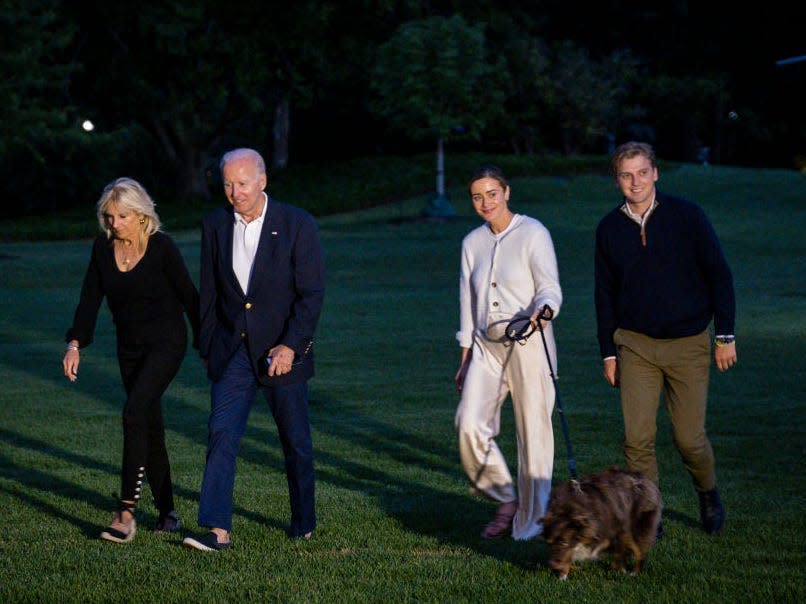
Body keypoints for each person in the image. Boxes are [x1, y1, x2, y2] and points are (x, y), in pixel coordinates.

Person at [182, 148, 325, 552]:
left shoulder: (297, 223)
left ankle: (303, 522)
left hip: (283, 353)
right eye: (227, 183)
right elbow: (208, 293)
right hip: (232, 352)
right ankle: (216, 528)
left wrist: (291, 346)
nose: (234, 192)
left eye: (242, 183)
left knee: (294, 440)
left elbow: (311, 294)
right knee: (221, 433)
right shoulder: (214, 225)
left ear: (262, 181)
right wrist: (208, 347)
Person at [594, 141, 737, 536]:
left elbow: (719, 275)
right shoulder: (608, 228)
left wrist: (724, 335)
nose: (635, 182)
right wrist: (609, 352)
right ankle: (649, 512)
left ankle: (707, 491)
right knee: (637, 439)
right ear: (617, 180)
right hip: (635, 344)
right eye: (626, 175)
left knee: (689, 439)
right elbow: (603, 294)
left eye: (642, 172)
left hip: (688, 342)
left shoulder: (687, 217)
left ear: (655, 173)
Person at [62, 177, 200, 543]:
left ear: (141, 215)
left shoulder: (162, 248)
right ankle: (168, 511)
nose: (114, 223)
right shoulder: (102, 249)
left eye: (122, 216)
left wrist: (209, 344)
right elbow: (89, 299)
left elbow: (190, 297)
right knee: (148, 425)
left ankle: (125, 513)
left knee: (134, 413)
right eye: (109, 217)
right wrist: (75, 343)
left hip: (167, 345)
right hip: (130, 350)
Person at [454, 165, 563, 541]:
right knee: (468, 424)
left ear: (507, 192)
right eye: (477, 196)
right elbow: (467, 301)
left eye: (492, 194)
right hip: (485, 347)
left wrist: (544, 310)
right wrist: (465, 353)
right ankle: (504, 498)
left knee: (534, 432)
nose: (485, 202)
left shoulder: (534, 233)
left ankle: (531, 525)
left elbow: (550, 288)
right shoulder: (472, 242)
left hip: (529, 341)